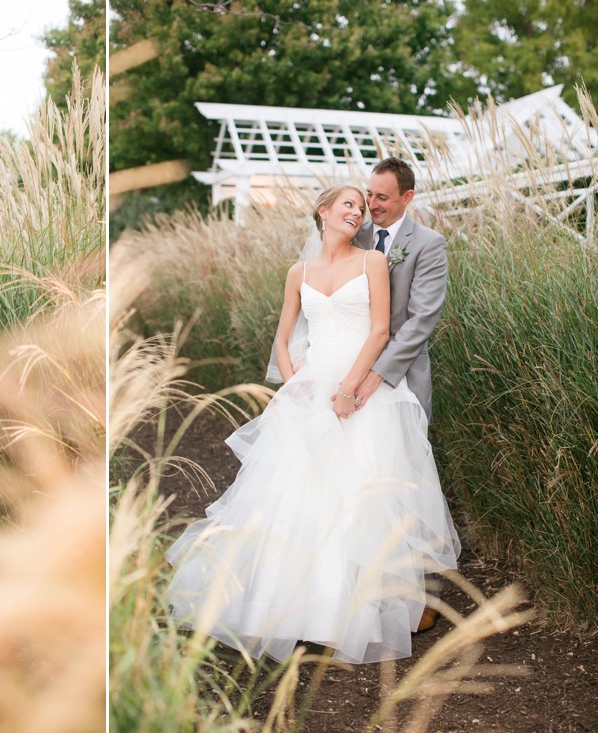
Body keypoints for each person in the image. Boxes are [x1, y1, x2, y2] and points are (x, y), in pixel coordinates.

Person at [166, 185, 460, 665]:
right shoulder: (297, 272)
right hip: (310, 385)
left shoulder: (371, 263)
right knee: (296, 491)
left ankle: (348, 612)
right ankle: (291, 609)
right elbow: (283, 338)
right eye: (348, 204)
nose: (357, 212)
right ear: (323, 212)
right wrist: (295, 380)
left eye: (360, 209)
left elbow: (382, 330)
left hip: (360, 387)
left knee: (359, 492)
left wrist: (348, 388)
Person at [352, 157, 450, 633]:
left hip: (400, 381)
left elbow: (420, 322)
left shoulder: (428, 245)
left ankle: (417, 598)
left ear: (407, 198)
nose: (372, 205)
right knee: (359, 484)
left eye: (382, 198)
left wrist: (379, 374)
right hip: (351, 377)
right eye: (369, 195)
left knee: (408, 485)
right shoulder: (355, 235)